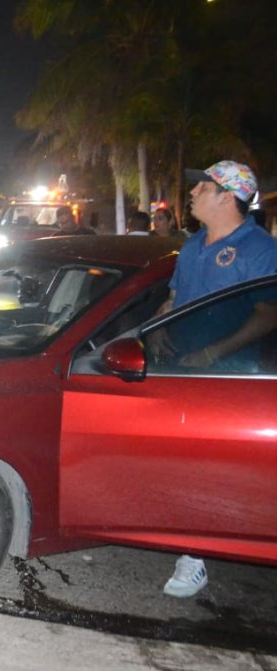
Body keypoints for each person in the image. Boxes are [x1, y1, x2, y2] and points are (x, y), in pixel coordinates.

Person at [150, 160, 277, 598]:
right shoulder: (192, 245)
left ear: (226, 196)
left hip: (230, 377)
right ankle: (180, 531)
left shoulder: (261, 249)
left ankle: (196, 555)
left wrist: (212, 353)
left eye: (201, 187)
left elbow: (268, 316)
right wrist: (159, 330)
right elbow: (173, 297)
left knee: (210, 468)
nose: (191, 193)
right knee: (176, 462)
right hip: (180, 370)